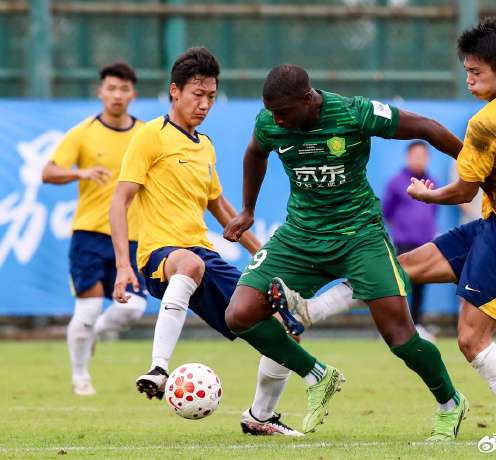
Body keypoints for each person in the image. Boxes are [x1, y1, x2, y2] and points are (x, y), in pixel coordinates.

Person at [281, 17, 496, 442]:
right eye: (466, 70)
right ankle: (311, 311)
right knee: (400, 269)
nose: (468, 80)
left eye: (475, 72)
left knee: (471, 340)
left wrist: (427, 194)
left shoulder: (487, 122)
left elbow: (462, 192)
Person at [224, 64, 469, 440]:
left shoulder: (355, 113)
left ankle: (450, 403)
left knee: (400, 336)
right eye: (271, 112)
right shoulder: (270, 122)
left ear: (308, 99)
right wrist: (247, 210)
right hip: (301, 235)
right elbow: (255, 153)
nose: (277, 120)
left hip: (359, 236)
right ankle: (317, 376)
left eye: (283, 112)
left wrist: (477, 168)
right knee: (240, 313)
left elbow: (426, 127)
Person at [110, 47, 301, 436]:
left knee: (283, 327)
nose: (204, 104)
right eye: (197, 94)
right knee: (190, 264)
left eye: (211, 96)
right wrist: (123, 266)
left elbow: (224, 210)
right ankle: (159, 368)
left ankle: (260, 417)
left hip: (203, 255)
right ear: (174, 91)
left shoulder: (205, 145)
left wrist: (264, 257)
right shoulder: (150, 136)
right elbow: (120, 200)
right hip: (160, 256)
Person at [41, 62, 148, 396]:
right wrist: (80, 173)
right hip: (89, 235)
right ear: (100, 92)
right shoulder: (83, 132)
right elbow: (48, 172)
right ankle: (80, 377)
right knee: (86, 311)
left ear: (133, 94)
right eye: (111, 88)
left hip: (132, 237)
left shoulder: (146, 134)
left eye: (124, 89)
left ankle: (97, 331)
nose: (117, 95)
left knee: (134, 308)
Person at [382, 141, 438, 340]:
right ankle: (395, 326)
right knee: (401, 286)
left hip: (426, 242)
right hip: (404, 243)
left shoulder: (432, 182)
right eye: (415, 155)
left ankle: (417, 325)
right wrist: (403, 228)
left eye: (422, 155)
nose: (419, 159)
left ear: (428, 158)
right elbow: (387, 211)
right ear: (408, 157)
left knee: (422, 285)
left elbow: (433, 210)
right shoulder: (397, 182)